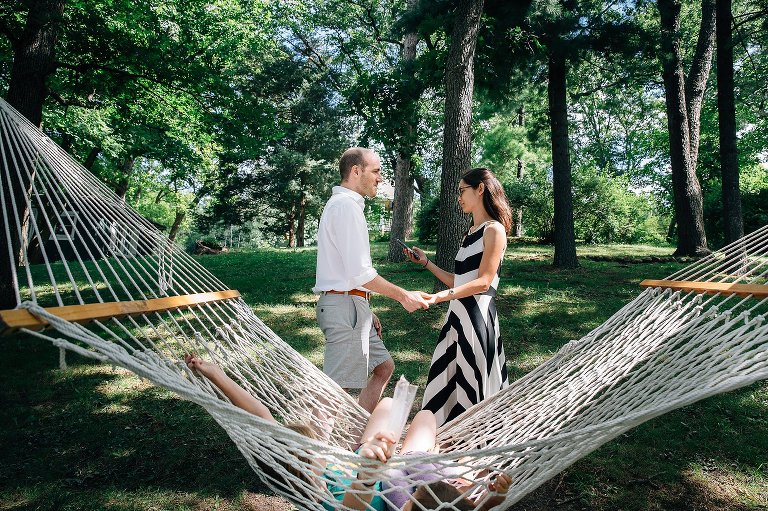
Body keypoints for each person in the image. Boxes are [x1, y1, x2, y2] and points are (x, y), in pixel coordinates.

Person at [184, 354, 512, 511]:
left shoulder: (321, 471)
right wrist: (369, 473)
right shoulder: (319, 497)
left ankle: (441, 462)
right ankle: (453, 468)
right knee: (425, 417)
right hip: (385, 473)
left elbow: (261, 414)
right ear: (299, 470)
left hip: (373, 457)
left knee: (389, 406)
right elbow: (356, 503)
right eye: (315, 449)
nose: (321, 448)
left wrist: (216, 374)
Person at [313, 147, 430, 413]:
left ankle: (356, 437)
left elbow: (349, 271)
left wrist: (365, 307)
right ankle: (313, 452)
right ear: (356, 171)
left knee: (383, 367)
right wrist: (404, 296)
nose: (380, 178)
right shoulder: (345, 207)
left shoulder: (348, 206)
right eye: (376, 171)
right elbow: (360, 273)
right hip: (344, 309)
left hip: (353, 306)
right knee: (335, 388)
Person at [404, 167, 511, 426]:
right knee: (444, 386)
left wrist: (439, 297)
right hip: (456, 319)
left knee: (473, 392)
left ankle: (476, 451)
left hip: (476, 321)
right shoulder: (470, 233)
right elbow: (460, 281)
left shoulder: (493, 230)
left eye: (462, 191)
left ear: (481, 189)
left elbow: (484, 282)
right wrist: (427, 263)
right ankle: (445, 446)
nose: (459, 198)